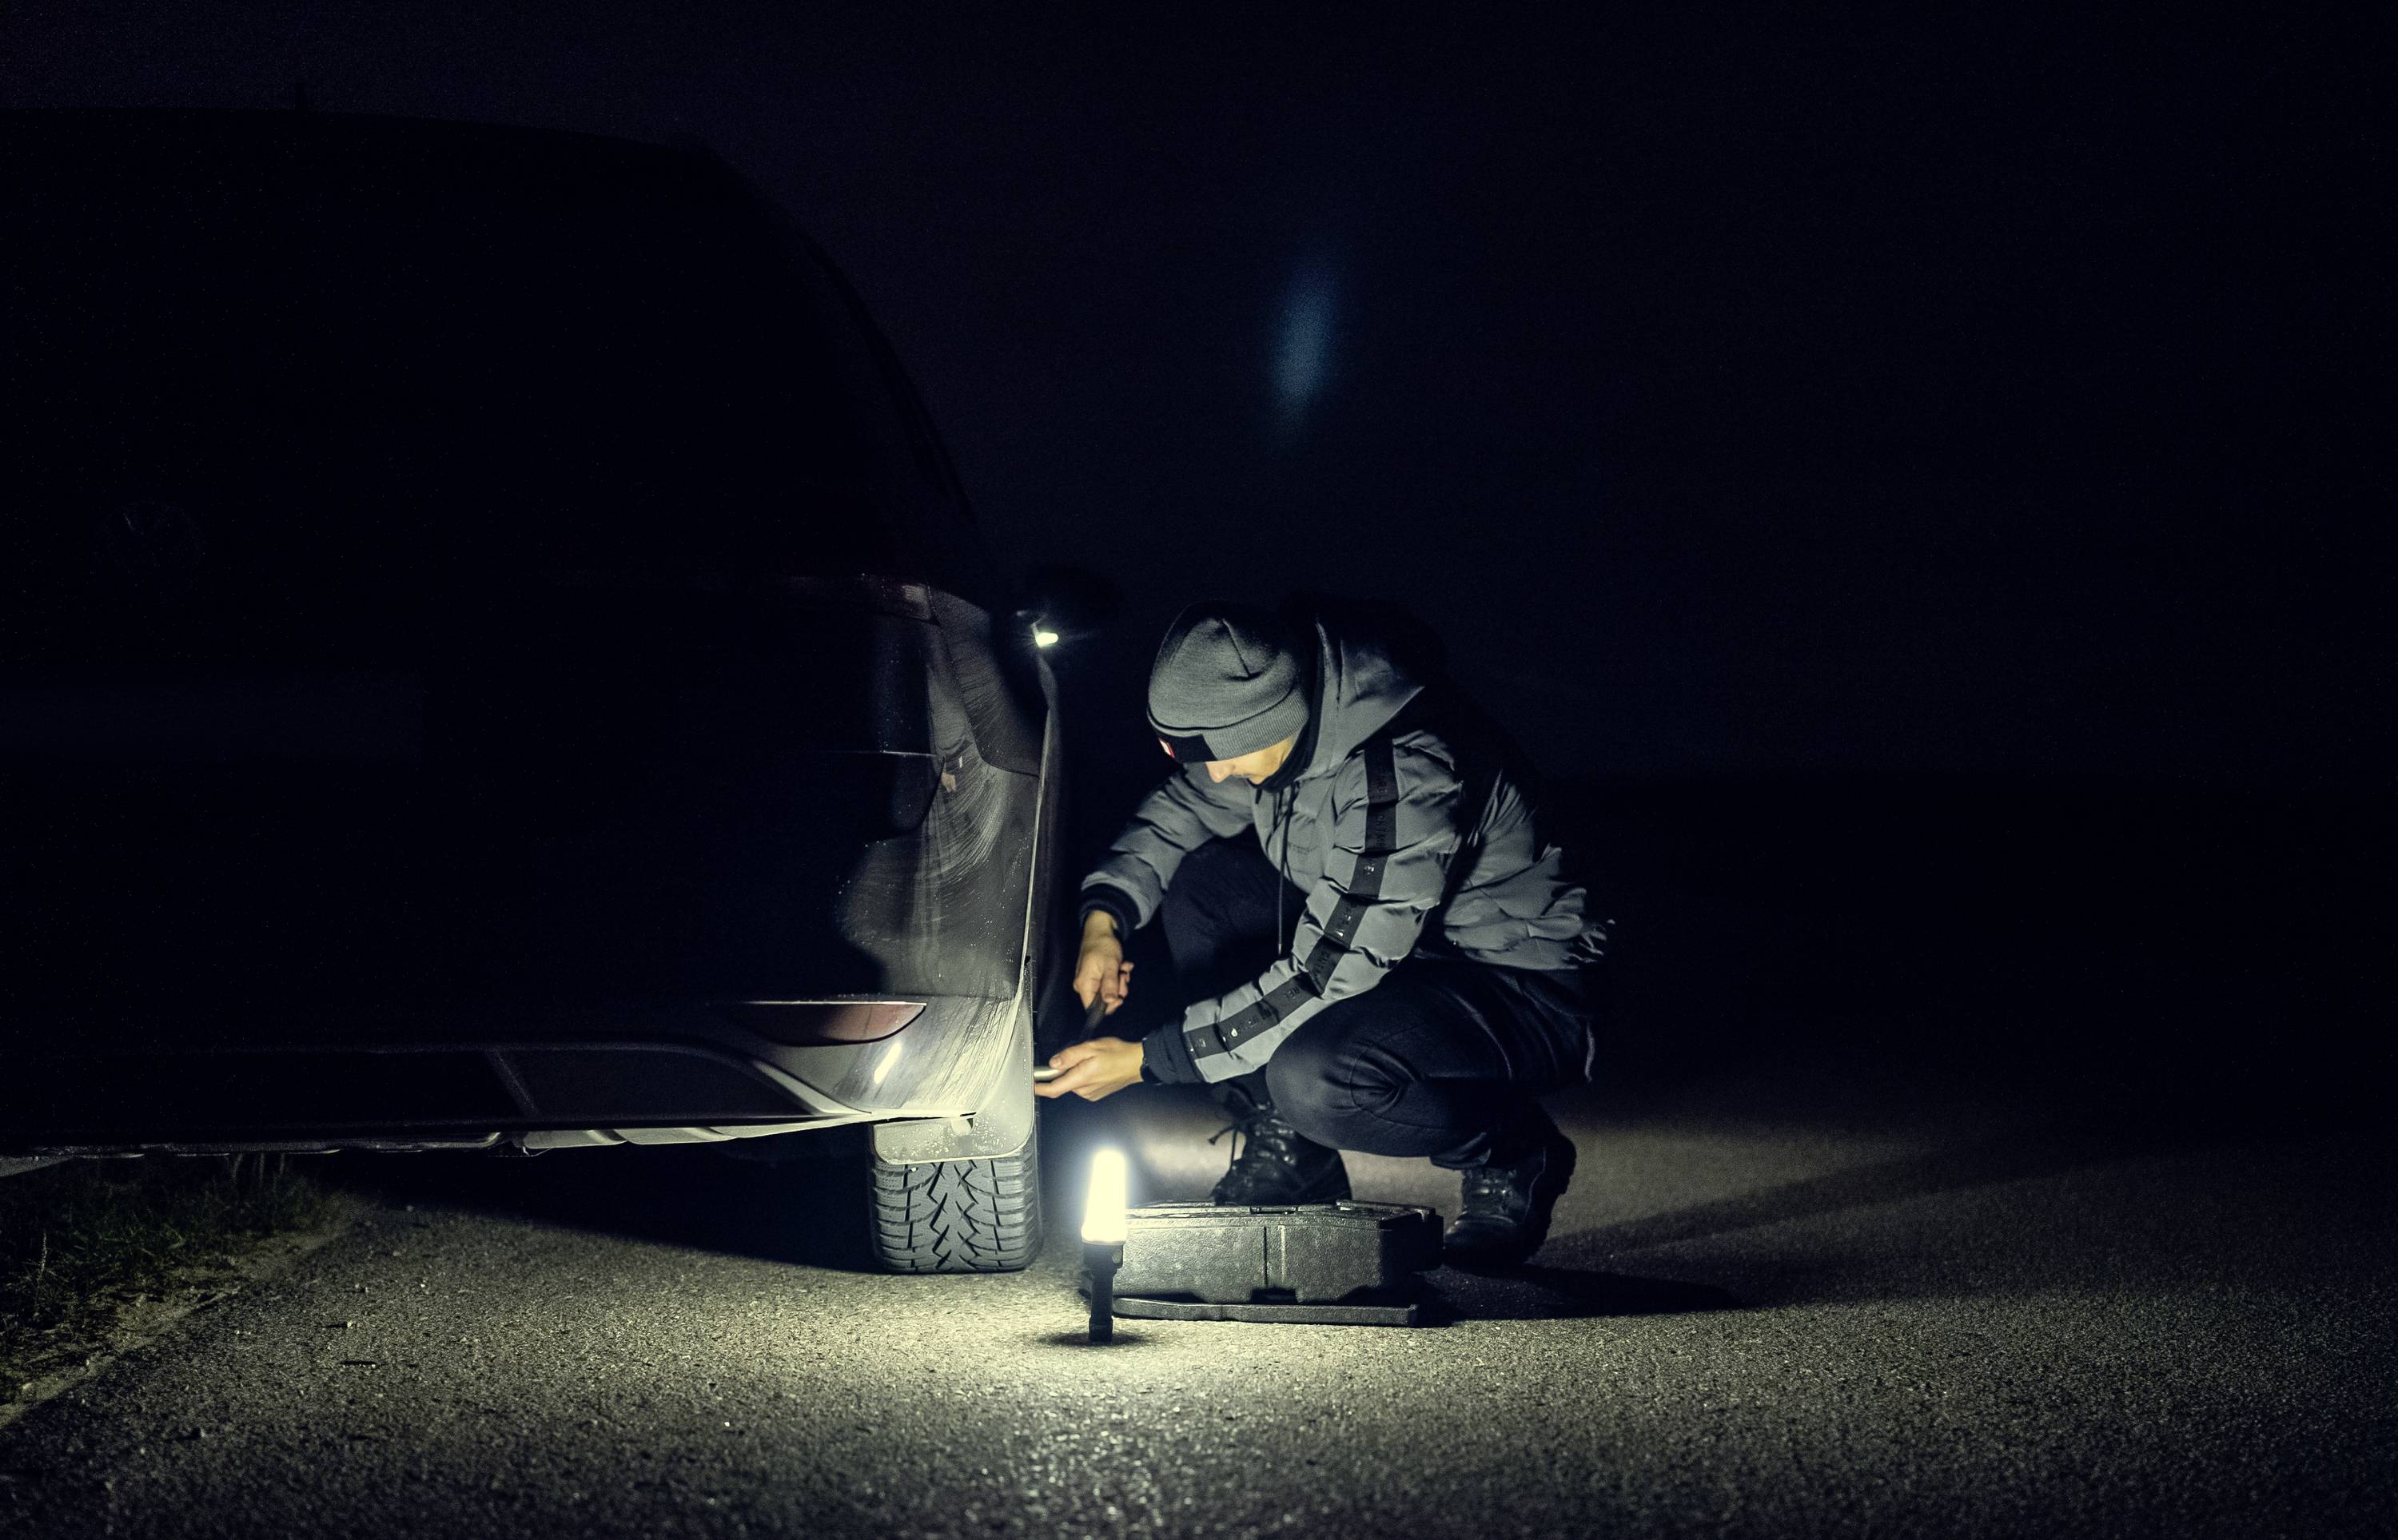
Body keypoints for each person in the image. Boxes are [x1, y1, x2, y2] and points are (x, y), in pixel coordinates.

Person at [1034, 597, 1606, 1270]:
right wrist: (1106, 920)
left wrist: (1146, 1060)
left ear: (1275, 717)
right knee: (1205, 888)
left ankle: (1512, 1148)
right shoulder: (1287, 731)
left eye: (1220, 751)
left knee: (1315, 1078)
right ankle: (1295, 1153)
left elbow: (1326, 973)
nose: (1213, 770)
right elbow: (1184, 809)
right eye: (1188, 750)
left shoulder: (1403, 771)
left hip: (1515, 986)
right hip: (1399, 953)